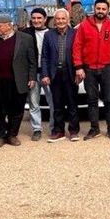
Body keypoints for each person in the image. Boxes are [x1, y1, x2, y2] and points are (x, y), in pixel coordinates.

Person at [73, 0, 110, 140]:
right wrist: (78, 66)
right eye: (98, 8)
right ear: (94, 9)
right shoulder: (84, 26)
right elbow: (77, 46)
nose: (100, 11)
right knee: (92, 100)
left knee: (108, 99)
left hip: (107, 68)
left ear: (107, 10)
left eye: (103, 9)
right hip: (89, 68)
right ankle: (94, 128)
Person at [0, 14, 37, 148]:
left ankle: (12, 134)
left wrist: (32, 77)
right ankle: (0, 135)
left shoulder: (25, 39)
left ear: (9, 25)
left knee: (16, 109)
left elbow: (32, 60)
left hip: (17, 80)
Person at [42, 9, 80, 142]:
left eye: (63, 19)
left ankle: (74, 131)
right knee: (57, 105)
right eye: (58, 19)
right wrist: (45, 74)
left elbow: (79, 53)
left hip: (70, 73)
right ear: (54, 20)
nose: (60, 21)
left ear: (68, 20)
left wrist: (79, 70)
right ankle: (58, 131)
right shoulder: (48, 35)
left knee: (72, 104)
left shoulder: (75, 34)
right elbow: (45, 56)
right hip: (55, 74)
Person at [23, 7, 52, 141]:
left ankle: (54, 127)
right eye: (34, 18)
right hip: (33, 74)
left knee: (53, 102)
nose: (36, 20)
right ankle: (37, 129)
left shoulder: (52, 33)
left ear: (45, 19)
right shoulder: (26, 34)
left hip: (49, 74)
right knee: (34, 103)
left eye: (39, 18)